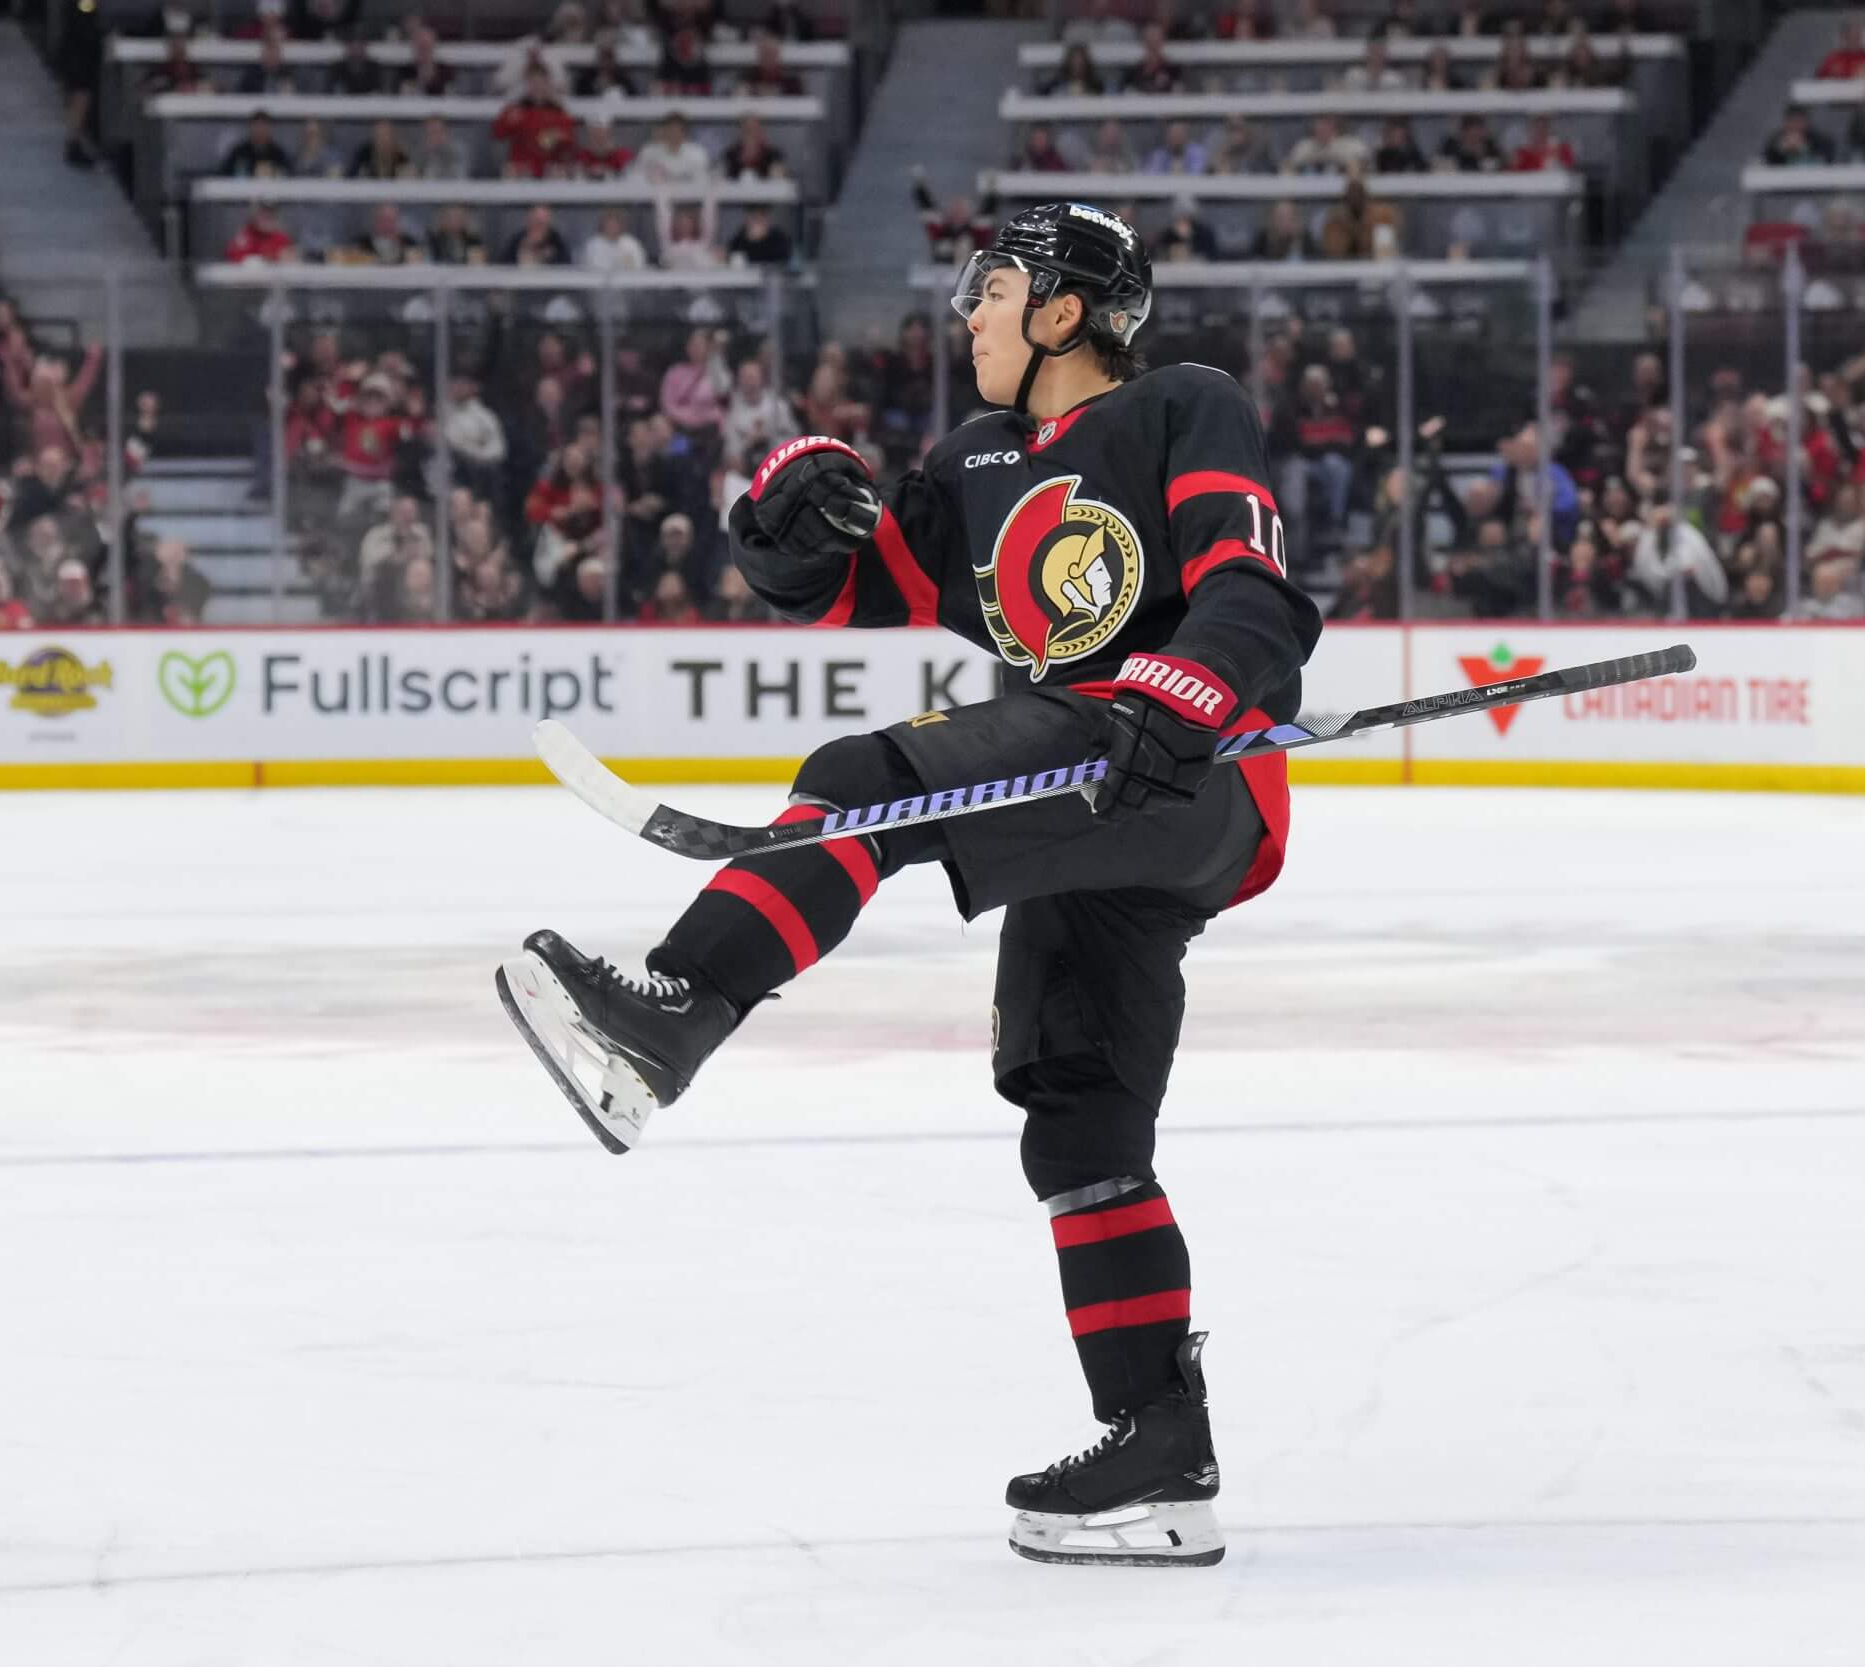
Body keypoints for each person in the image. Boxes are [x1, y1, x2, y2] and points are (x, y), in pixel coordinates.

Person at [496, 202, 1322, 1570]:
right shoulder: (976, 458)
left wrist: (1196, 678)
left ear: (1064, 310)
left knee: (860, 778)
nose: (970, 315)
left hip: (1183, 771)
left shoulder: (1184, 406)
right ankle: (1159, 1457)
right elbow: (849, 581)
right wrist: (784, 519)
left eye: (994, 291)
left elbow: (1251, 586)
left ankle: (674, 1013)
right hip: (1081, 800)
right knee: (1078, 1122)